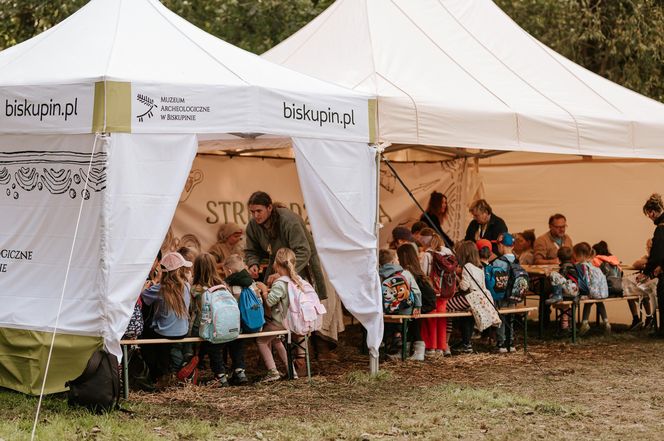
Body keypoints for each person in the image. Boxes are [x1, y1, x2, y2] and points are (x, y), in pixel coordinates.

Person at [244, 191, 327, 300]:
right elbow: (251, 250)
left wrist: (285, 273)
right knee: (272, 299)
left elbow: (303, 251)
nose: (255, 215)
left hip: (302, 265)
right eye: (252, 212)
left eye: (259, 211)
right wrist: (253, 263)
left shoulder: (289, 221)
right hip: (277, 265)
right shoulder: (253, 225)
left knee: (304, 302)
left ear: (269, 207)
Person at [140, 252, 192, 387]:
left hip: (164, 333)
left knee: (145, 334)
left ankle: (158, 374)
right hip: (183, 331)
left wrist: (155, 280)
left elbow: (144, 296)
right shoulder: (186, 286)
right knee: (164, 336)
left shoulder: (160, 289)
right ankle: (178, 365)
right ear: (180, 271)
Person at [257, 248, 300, 382]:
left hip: (279, 321)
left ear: (276, 264)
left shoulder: (280, 283)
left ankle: (272, 371)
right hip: (290, 320)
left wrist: (264, 290)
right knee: (276, 340)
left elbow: (270, 302)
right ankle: (292, 371)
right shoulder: (296, 280)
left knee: (261, 340)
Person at [446, 241, 490, 354]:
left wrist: (457, 278)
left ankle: (445, 341)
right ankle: (467, 343)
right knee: (467, 317)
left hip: (469, 298)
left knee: (445, 307)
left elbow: (465, 287)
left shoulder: (467, 267)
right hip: (479, 299)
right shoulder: (480, 266)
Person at [379, 248, 422, 355]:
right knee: (407, 322)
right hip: (405, 308)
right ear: (393, 261)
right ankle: (401, 344)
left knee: (388, 322)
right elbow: (416, 291)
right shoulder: (405, 273)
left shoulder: (378, 274)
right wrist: (417, 306)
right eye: (397, 258)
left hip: (387, 309)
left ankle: (388, 342)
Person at [397, 243, 434, 361]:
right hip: (421, 305)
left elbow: (421, 294)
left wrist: (417, 307)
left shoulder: (409, 274)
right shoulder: (415, 271)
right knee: (411, 322)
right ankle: (407, 351)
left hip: (422, 306)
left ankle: (416, 352)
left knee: (413, 321)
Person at [419, 231, 454, 357]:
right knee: (442, 318)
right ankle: (442, 347)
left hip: (433, 291)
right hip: (446, 291)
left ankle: (431, 347)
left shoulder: (427, 255)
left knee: (430, 318)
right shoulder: (449, 254)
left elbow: (423, 273)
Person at [575, 242, 610, 335]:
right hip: (602, 292)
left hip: (591, 292)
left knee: (588, 302)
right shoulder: (593, 264)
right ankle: (606, 322)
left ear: (580, 255)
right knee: (599, 301)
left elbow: (582, 282)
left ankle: (585, 323)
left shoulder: (580, 266)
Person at [491, 234, 518, 353]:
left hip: (501, 295)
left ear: (501, 245)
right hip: (514, 294)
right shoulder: (517, 260)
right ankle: (510, 343)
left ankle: (501, 343)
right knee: (510, 318)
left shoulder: (498, 262)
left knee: (501, 318)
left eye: (498, 245)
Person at [642, 194, 664, 337]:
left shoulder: (661, 228)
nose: (649, 217)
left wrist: (646, 271)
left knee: (663, 298)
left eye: (648, 214)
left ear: (652, 212)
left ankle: (662, 331)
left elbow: (658, 253)